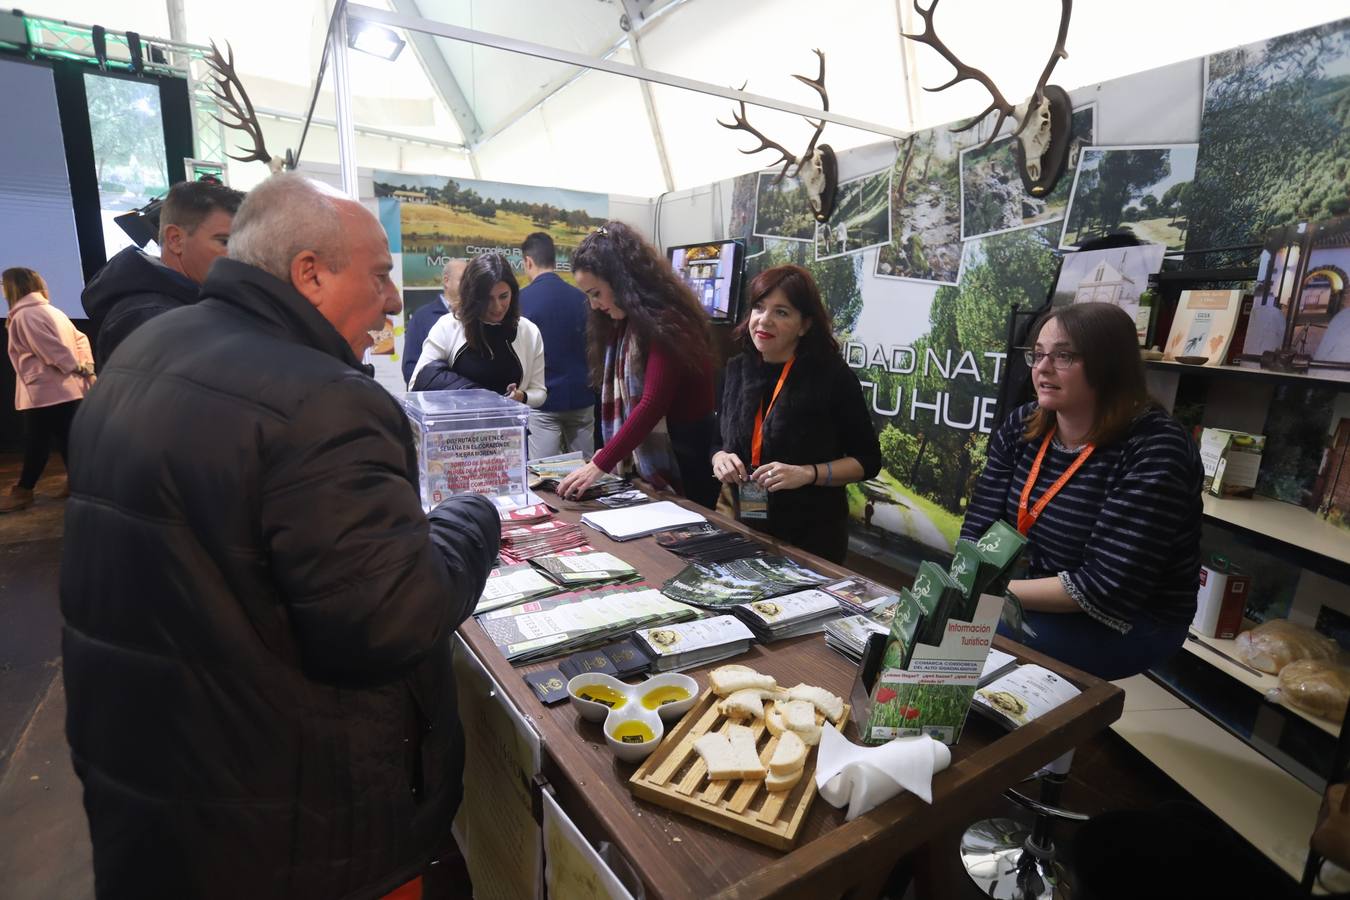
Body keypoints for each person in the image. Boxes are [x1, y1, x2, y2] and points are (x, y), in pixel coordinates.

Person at [60, 173, 500, 900]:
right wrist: (472, 516)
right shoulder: (322, 400)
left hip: (157, 794)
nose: (395, 301)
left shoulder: (143, 351)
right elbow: (391, 618)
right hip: (292, 833)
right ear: (311, 273)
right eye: (383, 275)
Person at [960, 302, 1203, 680]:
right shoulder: (1023, 424)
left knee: (971, 631)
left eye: (1064, 356)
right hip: (1038, 594)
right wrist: (964, 581)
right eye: (1038, 355)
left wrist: (984, 595)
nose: (1042, 369)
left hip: (1131, 621)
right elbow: (978, 527)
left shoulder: (1155, 446)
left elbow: (1107, 587)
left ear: (1109, 365)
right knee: (938, 618)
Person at [711, 265, 881, 563]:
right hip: (739, 521)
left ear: (805, 325)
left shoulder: (833, 378)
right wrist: (720, 459)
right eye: (759, 307)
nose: (764, 320)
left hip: (809, 535)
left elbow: (867, 460)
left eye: (782, 312)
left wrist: (806, 473)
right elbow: (716, 441)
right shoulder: (735, 369)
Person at [557, 222, 719, 508]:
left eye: (596, 293)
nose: (594, 305)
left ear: (619, 280)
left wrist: (600, 463)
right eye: (589, 296)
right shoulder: (624, 322)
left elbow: (652, 403)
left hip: (685, 455)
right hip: (661, 451)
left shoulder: (668, 319)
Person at [82, 178, 243, 369]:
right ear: (175, 240)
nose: (238, 254)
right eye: (224, 242)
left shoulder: (178, 308)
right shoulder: (150, 318)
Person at [1, 268, 94, 512]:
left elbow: (50, 349)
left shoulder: (26, 315)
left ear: (13, 286)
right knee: (65, 438)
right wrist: (85, 366)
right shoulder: (53, 311)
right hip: (65, 389)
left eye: (3, 284)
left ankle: (24, 491)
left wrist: (76, 367)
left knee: (37, 441)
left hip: (46, 391)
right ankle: (78, 484)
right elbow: (80, 338)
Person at [408, 252, 546, 408]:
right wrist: (475, 395)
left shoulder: (528, 332)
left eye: (503, 296)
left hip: (510, 429)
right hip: (457, 428)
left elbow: (540, 392)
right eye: (487, 298)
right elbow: (417, 384)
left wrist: (522, 396)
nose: (497, 306)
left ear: (513, 293)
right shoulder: (449, 327)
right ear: (472, 296)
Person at [518, 232, 596, 459]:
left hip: (544, 403)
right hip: (583, 398)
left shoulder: (521, 301)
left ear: (528, 261)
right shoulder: (583, 298)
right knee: (586, 473)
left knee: (544, 475)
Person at [402, 257, 467, 384]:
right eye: (463, 280)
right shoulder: (422, 317)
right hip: (435, 400)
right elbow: (410, 368)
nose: (469, 286)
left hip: (473, 398)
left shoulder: (476, 316)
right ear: (446, 281)